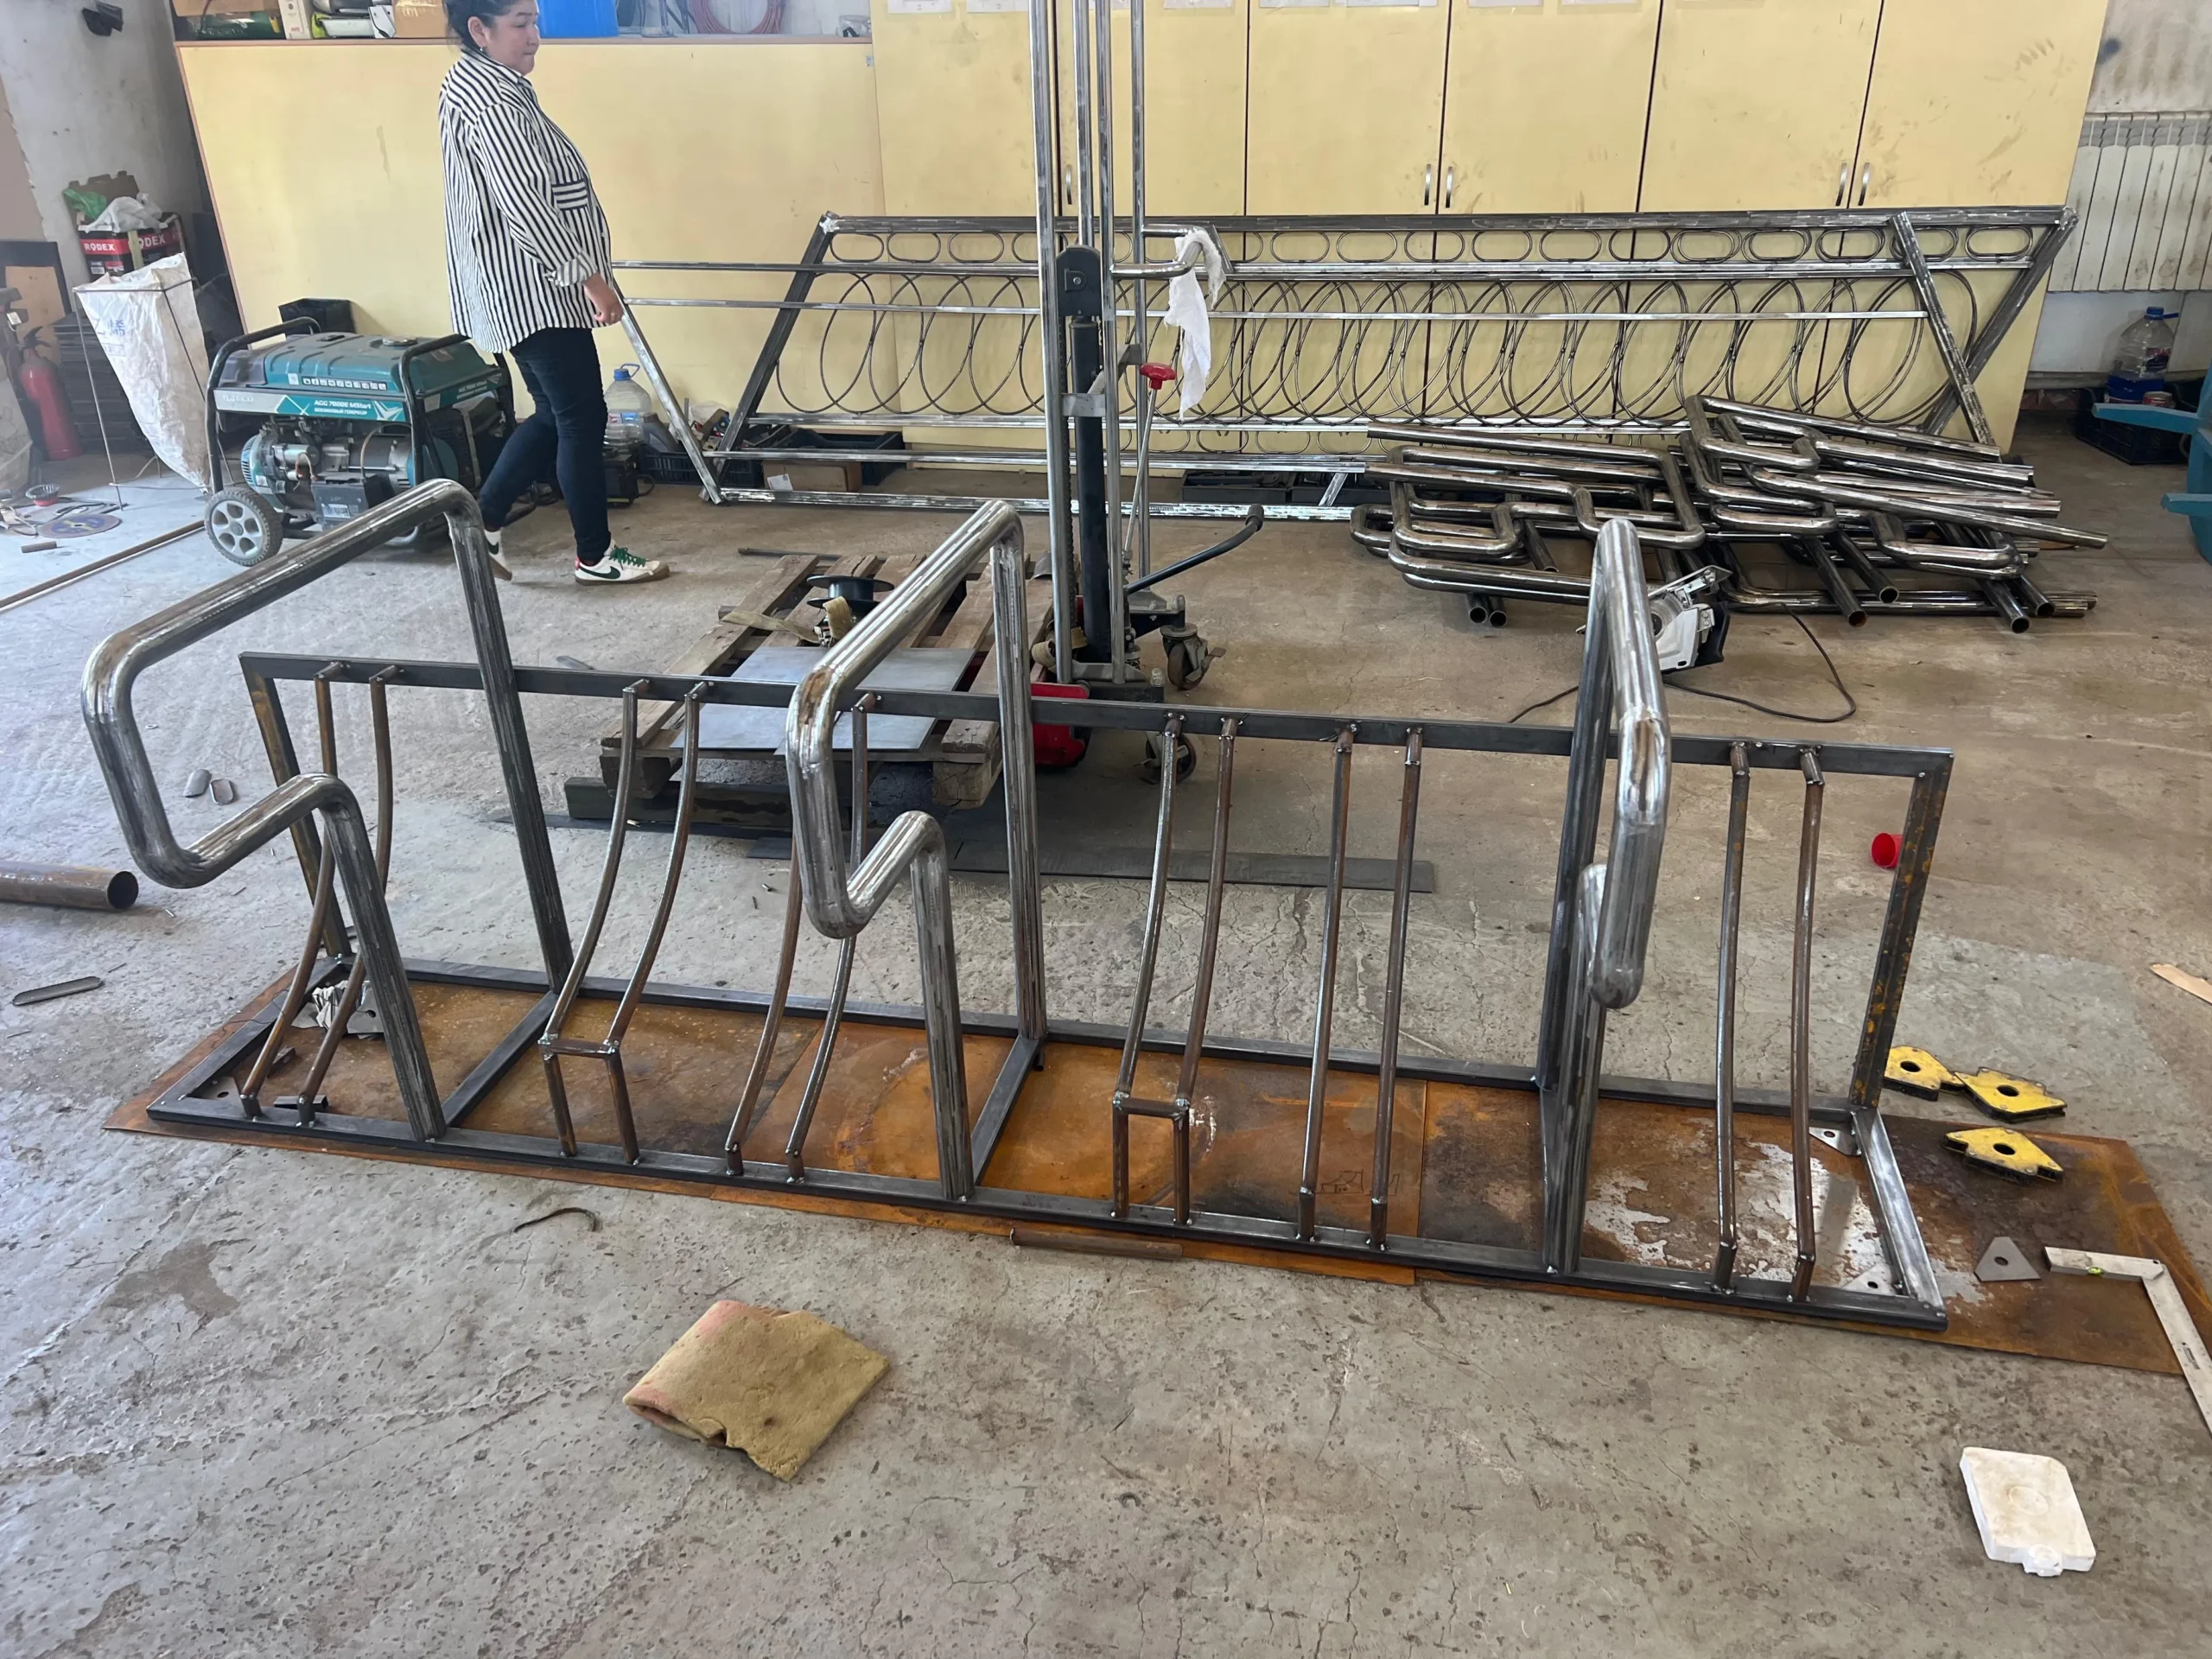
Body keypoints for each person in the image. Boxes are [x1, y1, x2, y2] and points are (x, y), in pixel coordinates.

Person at [440, 0, 668, 584]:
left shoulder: (478, 81)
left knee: (556, 413)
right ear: (479, 29)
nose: (535, 36)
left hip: (516, 283)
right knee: (582, 418)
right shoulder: (494, 102)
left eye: (535, 21)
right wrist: (590, 278)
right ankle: (595, 555)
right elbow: (528, 208)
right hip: (535, 286)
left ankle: (481, 520)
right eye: (520, 23)